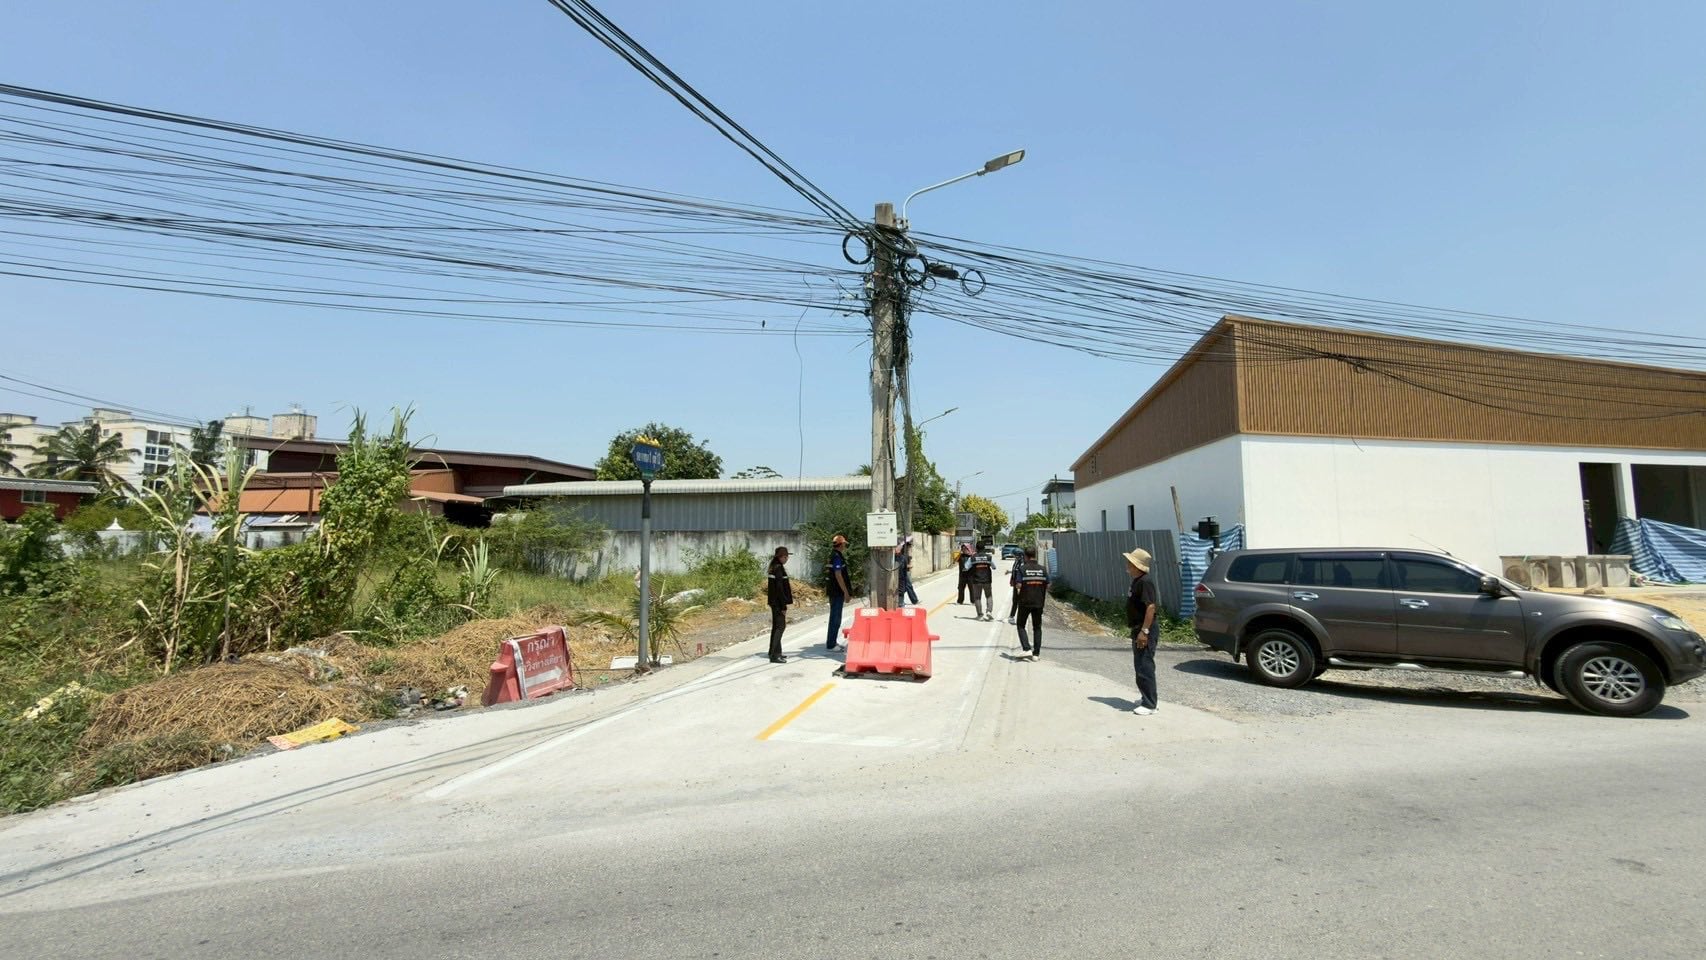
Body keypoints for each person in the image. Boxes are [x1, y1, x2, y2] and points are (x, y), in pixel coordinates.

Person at [1124, 547, 1160, 715]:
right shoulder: (1137, 581)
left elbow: (1150, 607)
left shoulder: (1145, 582)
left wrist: (1144, 631)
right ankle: (1146, 697)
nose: (1127, 565)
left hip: (1145, 629)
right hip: (1138, 628)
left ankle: (1150, 704)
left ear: (1136, 565)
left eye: (1130, 563)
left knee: (1145, 666)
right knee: (1140, 666)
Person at [1014, 547, 1050, 660]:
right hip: (1039, 602)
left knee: (1021, 625)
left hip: (1025, 602)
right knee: (1037, 627)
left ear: (1025, 556)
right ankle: (1036, 654)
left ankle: (1026, 649)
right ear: (1035, 555)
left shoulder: (1022, 569)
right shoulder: (1043, 569)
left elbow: (1018, 585)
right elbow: (1048, 585)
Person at [765, 546, 792, 663]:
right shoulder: (778, 568)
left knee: (776, 627)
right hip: (778, 602)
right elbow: (780, 589)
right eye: (786, 556)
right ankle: (775, 655)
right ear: (781, 557)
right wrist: (783, 606)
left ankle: (773, 651)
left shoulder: (775, 567)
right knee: (780, 627)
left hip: (774, 601)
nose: (787, 558)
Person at [825, 534, 852, 651]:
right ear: (841, 545)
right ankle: (831, 644)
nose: (845, 546)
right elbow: (838, 575)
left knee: (835, 617)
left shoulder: (832, 555)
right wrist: (846, 592)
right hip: (837, 591)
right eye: (844, 544)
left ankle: (832, 641)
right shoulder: (837, 557)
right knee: (835, 618)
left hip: (833, 590)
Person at [968, 544, 996, 621]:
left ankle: (980, 615)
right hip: (987, 580)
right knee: (989, 596)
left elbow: (966, 567)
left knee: (977, 597)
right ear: (984, 548)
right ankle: (989, 611)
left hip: (976, 580)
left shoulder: (972, 558)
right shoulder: (989, 557)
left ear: (976, 549)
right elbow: (994, 567)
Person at [894, 536, 919, 607]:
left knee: (906, 585)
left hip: (903, 571)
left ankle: (913, 600)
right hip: (900, 572)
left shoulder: (903, 554)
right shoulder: (897, 552)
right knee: (905, 586)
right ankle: (912, 600)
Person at [1004, 552, 1024, 625]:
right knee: (1015, 600)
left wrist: (1019, 585)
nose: (1014, 557)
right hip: (1016, 583)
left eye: (1015, 555)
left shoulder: (1022, 563)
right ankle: (1012, 617)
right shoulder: (1017, 561)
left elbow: (1020, 572)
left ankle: (1016, 618)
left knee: (1018, 601)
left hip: (1019, 584)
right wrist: (1009, 572)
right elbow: (1015, 570)